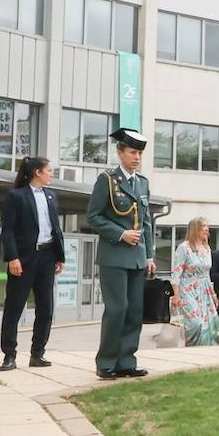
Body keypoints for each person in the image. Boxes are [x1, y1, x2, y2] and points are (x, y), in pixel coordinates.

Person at [86, 127, 155, 379]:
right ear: (120, 152)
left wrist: (149, 256)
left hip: (137, 258)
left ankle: (127, 361)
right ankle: (106, 362)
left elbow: (147, 222)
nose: (137, 157)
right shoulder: (106, 180)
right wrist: (120, 233)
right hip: (114, 256)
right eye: (133, 152)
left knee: (135, 311)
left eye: (139, 153)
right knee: (117, 309)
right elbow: (93, 217)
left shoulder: (143, 183)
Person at [0, 157, 66, 371]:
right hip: (24, 258)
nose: (51, 174)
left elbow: (55, 228)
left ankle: (38, 353)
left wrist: (59, 256)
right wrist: (12, 257)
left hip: (47, 257)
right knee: (14, 307)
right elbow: (7, 230)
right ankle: (9, 355)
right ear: (37, 172)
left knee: (46, 308)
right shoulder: (16, 196)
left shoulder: (51, 196)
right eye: (49, 170)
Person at [170, 216, 219, 347]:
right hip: (187, 290)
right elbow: (176, 272)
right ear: (195, 229)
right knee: (195, 322)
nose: (207, 229)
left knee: (207, 323)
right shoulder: (184, 248)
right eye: (203, 226)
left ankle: (202, 350)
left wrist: (213, 294)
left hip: (205, 290)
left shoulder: (207, 248)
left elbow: (207, 273)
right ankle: (190, 347)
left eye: (206, 226)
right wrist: (176, 295)